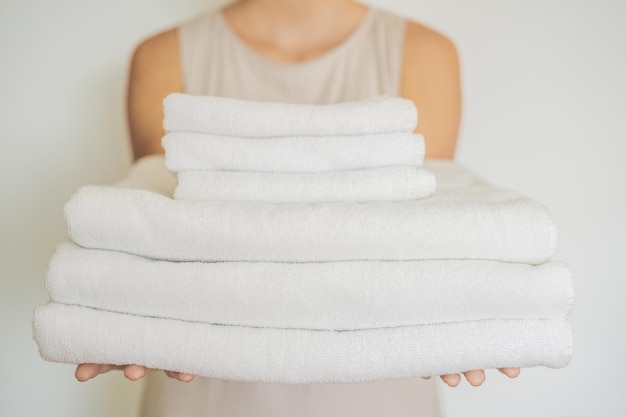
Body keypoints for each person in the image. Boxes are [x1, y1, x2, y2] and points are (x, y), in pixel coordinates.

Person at [75, 0, 520, 415]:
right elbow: (163, 237)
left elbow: (414, 242)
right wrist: (125, 315)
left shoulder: (425, 53)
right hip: (202, 394)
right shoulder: (161, 56)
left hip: (378, 394)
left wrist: (459, 316)